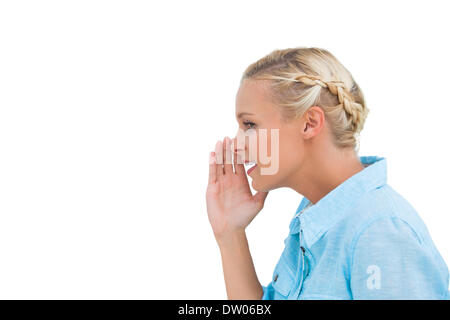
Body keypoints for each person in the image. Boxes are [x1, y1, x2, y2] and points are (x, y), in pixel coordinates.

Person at [205, 47, 449, 299]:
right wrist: (230, 234)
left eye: (250, 125)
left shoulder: (379, 232)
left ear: (310, 123)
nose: (235, 144)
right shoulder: (315, 213)